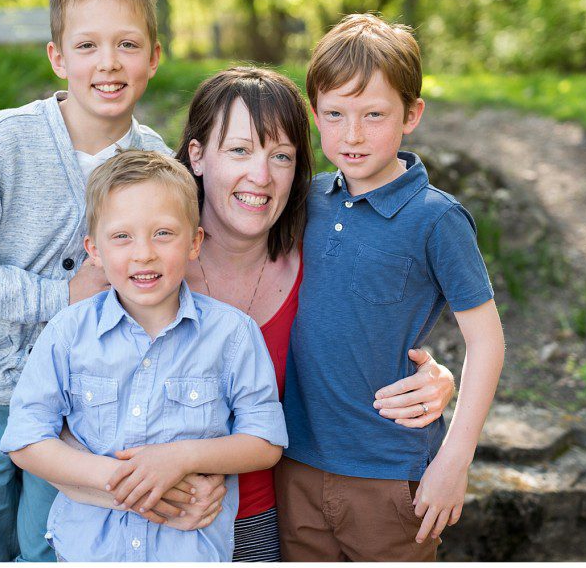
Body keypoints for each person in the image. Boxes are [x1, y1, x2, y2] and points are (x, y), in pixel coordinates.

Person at [49, 66, 458, 562]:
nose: (260, 176)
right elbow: (57, 418)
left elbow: (373, 321)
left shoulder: (320, 245)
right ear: (197, 156)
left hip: (282, 519)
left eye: (281, 156)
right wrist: (154, 493)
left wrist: (434, 376)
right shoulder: (133, 266)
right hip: (136, 526)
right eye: (239, 150)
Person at [0, 0, 172, 562]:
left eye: (127, 44)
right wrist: (58, 299)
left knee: (50, 545)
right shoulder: (5, 140)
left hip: (79, 405)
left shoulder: (155, 162)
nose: (108, 63)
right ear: (57, 57)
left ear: (154, 57)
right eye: (87, 45)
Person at [276, 14, 506, 561]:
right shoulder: (304, 199)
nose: (352, 135)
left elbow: (487, 341)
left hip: (390, 476)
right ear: (315, 116)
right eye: (335, 115)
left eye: (374, 115)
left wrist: (455, 459)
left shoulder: (436, 219)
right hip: (295, 463)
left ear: (411, 115)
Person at [0, 150, 287, 562]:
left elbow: (264, 442)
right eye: (122, 237)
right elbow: (26, 439)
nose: (144, 253)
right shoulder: (68, 333)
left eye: (163, 234)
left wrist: (180, 458)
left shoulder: (233, 335)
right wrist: (127, 482)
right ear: (93, 250)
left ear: (195, 242)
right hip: (91, 552)